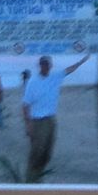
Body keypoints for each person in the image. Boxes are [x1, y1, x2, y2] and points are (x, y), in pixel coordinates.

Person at [21, 53, 88, 182]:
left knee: (47, 151)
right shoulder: (33, 82)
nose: (45, 66)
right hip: (37, 121)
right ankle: (30, 179)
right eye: (43, 64)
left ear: (51, 65)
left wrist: (81, 62)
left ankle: (38, 175)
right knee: (37, 151)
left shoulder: (55, 77)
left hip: (51, 120)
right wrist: (28, 125)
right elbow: (25, 105)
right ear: (39, 65)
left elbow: (69, 70)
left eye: (47, 64)